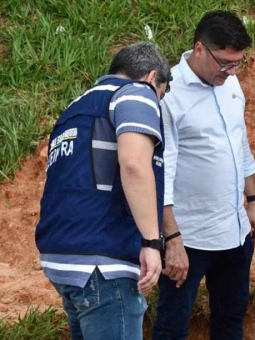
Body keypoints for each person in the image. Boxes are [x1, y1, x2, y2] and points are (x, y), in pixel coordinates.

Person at [35, 42, 171, 340]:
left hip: (64, 256)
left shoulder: (75, 108)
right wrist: (152, 242)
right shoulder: (138, 92)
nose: (159, 101)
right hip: (104, 263)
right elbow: (134, 164)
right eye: (163, 93)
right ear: (151, 78)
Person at [152, 10, 255, 340]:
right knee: (172, 326)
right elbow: (161, 173)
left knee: (231, 321)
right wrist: (171, 240)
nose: (231, 72)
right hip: (189, 239)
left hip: (235, 234)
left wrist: (254, 200)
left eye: (238, 63)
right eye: (225, 63)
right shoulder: (168, 96)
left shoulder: (230, 84)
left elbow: (240, 145)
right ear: (199, 50)